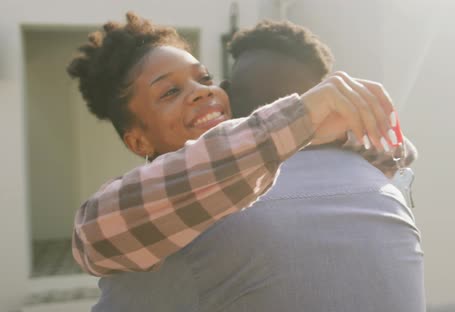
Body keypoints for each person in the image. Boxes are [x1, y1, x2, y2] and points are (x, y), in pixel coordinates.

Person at [91, 20, 424, 312]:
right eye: (170, 92)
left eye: (205, 78)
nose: (202, 93)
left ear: (231, 96)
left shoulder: (195, 232)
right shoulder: (381, 189)